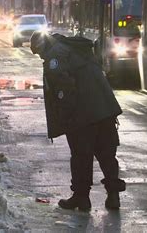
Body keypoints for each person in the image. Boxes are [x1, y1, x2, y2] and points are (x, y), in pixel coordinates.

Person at [30, 31, 126, 211]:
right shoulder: (74, 48)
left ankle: (81, 198)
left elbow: (63, 89)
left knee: (81, 156)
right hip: (105, 109)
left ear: (41, 46)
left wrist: (66, 116)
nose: (40, 57)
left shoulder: (55, 57)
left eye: (38, 52)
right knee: (107, 154)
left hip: (82, 115)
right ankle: (113, 197)